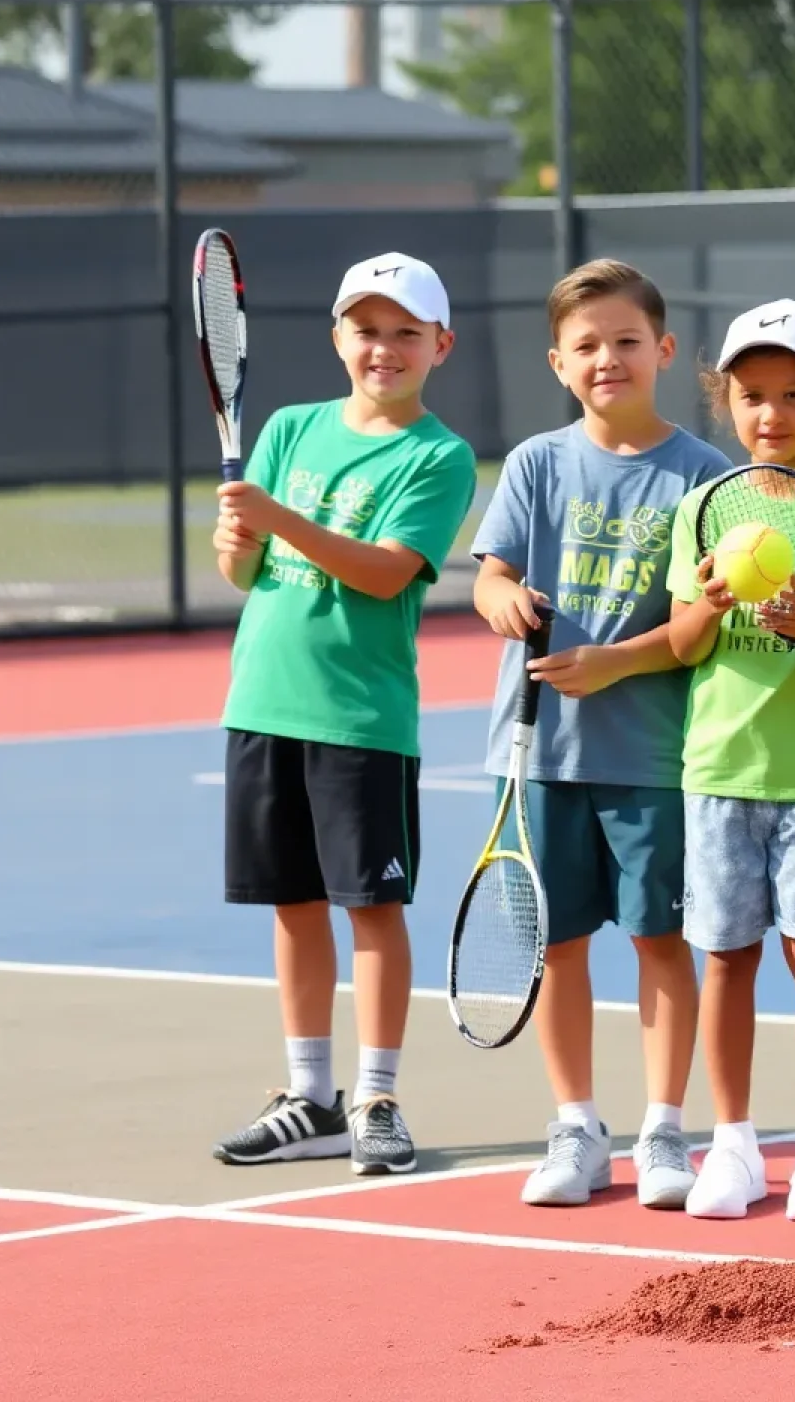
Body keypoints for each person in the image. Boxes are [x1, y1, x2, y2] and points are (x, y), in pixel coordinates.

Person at [471, 258, 731, 1211]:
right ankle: (576, 1126)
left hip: (653, 758)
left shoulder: (708, 478)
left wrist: (617, 663)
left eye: (627, 341)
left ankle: (665, 1132)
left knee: (660, 939)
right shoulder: (538, 465)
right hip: (538, 755)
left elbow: (701, 628)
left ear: (663, 350)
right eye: (587, 346)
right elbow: (489, 575)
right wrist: (502, 599)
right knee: (559, 946)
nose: (608, 359)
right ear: (558, 363)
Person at [211, 252, 477, 1175]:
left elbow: (382, 572)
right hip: (263, 702)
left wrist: (275, 519)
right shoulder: (288, 427)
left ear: (441, 345)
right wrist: (236, 542)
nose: (385, 349)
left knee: (371, 908)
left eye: (407, 333)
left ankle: (377, 1097)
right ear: (338, 340)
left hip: (360, 719)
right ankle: (309, 1095)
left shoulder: (436, 456)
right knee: (292, 905)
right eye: (366, 330)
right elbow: (245, 577)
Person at [668, 299, 795, 1223]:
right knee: (725, 959)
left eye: (793, 394)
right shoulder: (704, 509)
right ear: (726, 401)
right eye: (751, 395)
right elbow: (680, 643)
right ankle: (734, 1147)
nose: (770, 413)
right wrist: (710, 606)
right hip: (718, 773)